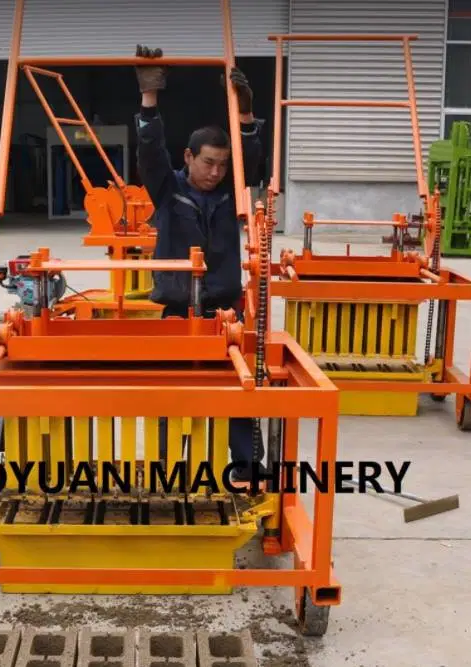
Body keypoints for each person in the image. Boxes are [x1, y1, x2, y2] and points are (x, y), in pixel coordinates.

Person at [133, 45, 265, 489]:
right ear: (188, 158)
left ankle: (246, 472)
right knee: (173, 397)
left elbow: (254, 165)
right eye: (208, 162)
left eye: (223, 164)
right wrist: (149, 99)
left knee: (240, 395)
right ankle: (169, 473)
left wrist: (245, 118)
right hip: (176, 316)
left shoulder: (234, 197)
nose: (216, 171)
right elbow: (150, 154)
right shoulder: (169, 191)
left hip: (225, 314)